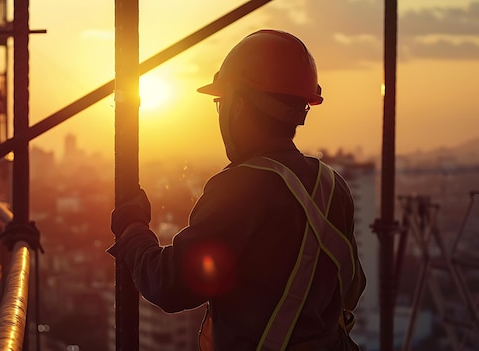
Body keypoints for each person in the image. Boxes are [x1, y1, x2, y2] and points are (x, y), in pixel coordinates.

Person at [108, 29, 366, 351]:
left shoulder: (242, 186)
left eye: (221, 102)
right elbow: (353, 285)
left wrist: (133, 230)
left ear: (239, 104)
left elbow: (171, 284)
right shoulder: (331, 185)